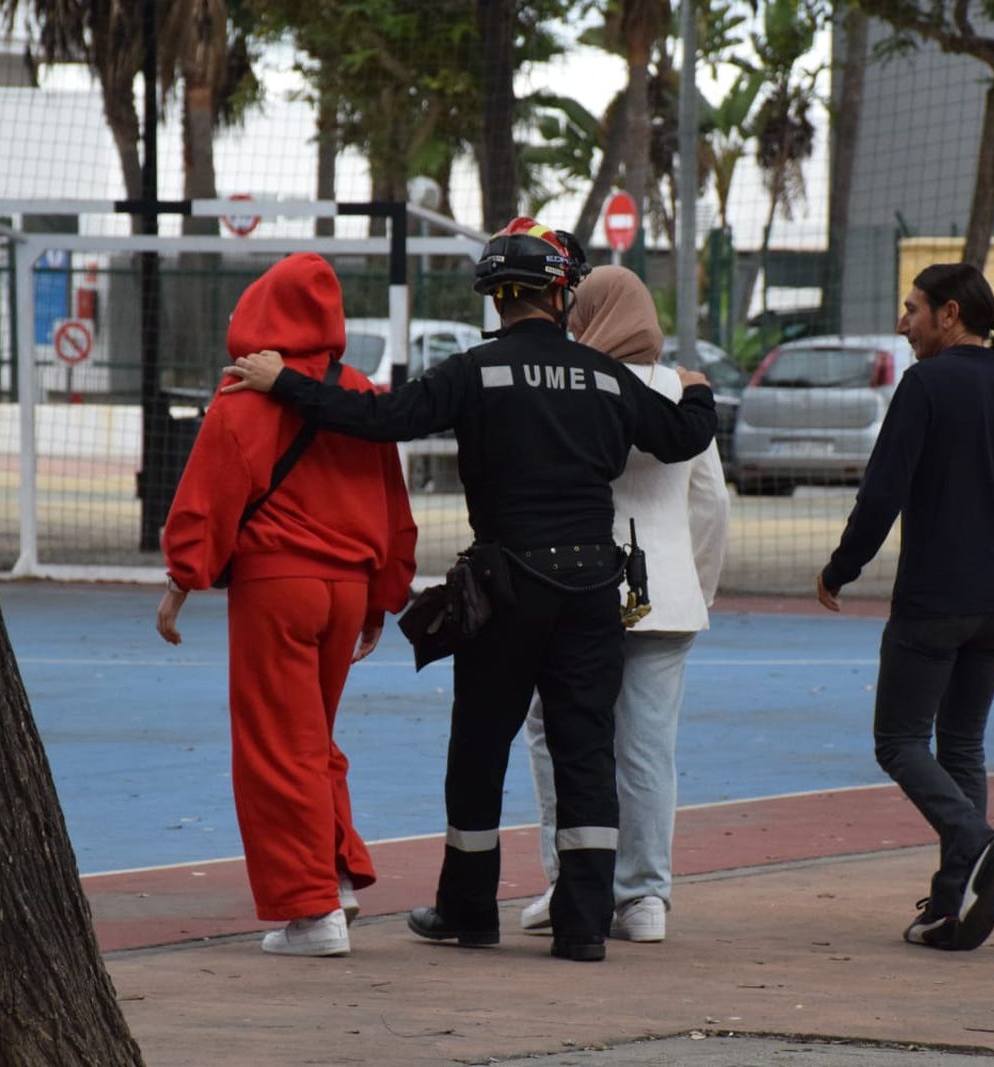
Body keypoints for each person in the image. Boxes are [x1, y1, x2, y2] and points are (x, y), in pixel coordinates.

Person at [221, 217, 717, 962]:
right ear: (560, 292)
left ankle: (468, 909)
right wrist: (699, 392)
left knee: (480, 748)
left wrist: (281, 382)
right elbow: (682, 435)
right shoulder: (605, 376)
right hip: (591, 586)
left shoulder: (473, 371)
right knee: (587, 750)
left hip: (505, 584)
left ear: (494, 297)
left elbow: (378, 419)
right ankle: (584, 924)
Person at [155, 253, 418, 959]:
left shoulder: (246, 393)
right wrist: (383, 597)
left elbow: (209, 496)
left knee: (275, 746)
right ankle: (335, 871)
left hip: (278, 585)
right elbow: (393, 505)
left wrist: (182, 580)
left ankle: (311, 911)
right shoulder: (359, 392)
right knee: (313, 738)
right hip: (349, 587)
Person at [815, 262, 994, 952]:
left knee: (898, 740)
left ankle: (980, 842)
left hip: (934, 600)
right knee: (962, 746)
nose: (904, 323)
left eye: (912, 310)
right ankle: (947, 909)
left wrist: (841, 568)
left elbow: (882, 492)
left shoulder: (925, 384)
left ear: (949, 314)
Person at [518, 265, 729, 944]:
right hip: (666, 591)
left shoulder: (575, 386)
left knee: (559, 734)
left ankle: (569, 882)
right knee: (646, 750)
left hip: (581, 586)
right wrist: (699, 583)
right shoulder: (683, 391)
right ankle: (645, 899)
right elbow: (712, 503)